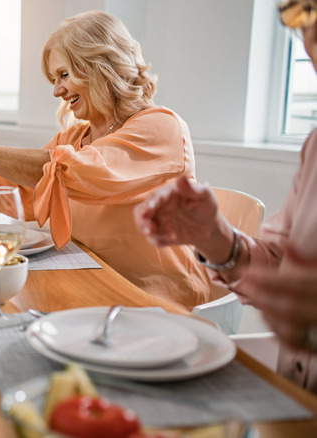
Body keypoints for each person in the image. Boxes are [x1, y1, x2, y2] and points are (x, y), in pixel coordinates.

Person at [0, 10, 225, 310]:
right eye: (54, 79)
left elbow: (78, 171)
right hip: (91, 287)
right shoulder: (74, 138)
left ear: (99, 66)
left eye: (64, 75)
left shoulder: (161, 127)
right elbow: (5, 189)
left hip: (153, 299)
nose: (57, 91)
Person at [133, 0, 317, 394]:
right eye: (300, 10)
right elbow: (282, 269)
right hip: (293, 399)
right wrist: (218, 240)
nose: (308, 31)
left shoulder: (158, 124)